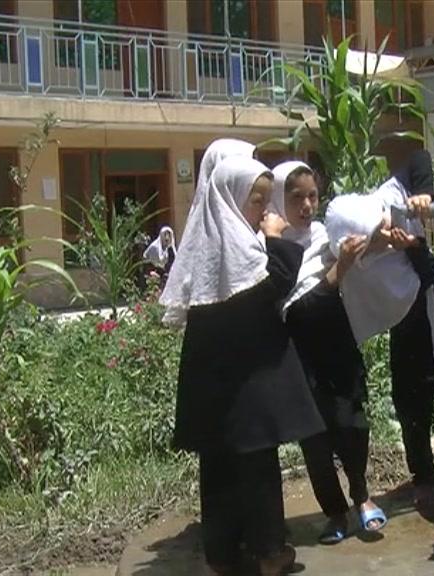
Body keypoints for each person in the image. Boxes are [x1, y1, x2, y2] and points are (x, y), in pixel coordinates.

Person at [160, 156, 325, 576]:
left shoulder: (210, 243)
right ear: (232, 199)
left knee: (219, 467)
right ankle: (270, 551)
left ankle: (223, 553)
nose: (265, 212)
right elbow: (275, 284)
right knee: (256, 468)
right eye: (257, 202)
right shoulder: (243, 246)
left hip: (218, 386)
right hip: (248, 385)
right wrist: (274, 239)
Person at [273, 161, 387, 543]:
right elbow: (300, 301)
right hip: (300, 357)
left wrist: (383, 240)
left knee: (353, 424)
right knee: (315, 439)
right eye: (296, 197)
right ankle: (335, 513)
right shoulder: (276, 246)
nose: (307, 205)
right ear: (279, 200)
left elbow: (366, 244)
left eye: (312, 196)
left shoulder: (325, 236)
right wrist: (342, 267)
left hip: (337, 348)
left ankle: (362, 495)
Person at [374, 150, 434, 519]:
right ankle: (424, 477)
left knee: (423, 392)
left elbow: (429, 275)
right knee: (411, 399)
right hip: (403, 319)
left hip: (432, 312)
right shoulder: (378, 210)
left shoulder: (406, 204)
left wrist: (424, 193)